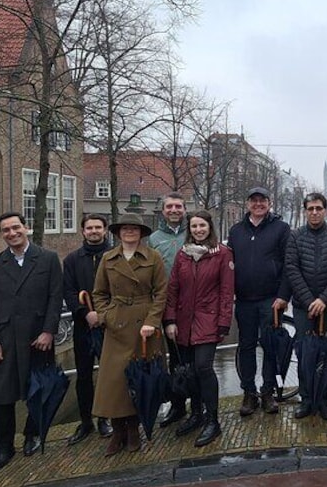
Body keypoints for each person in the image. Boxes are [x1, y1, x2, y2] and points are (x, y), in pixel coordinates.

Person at [0, 212, 63, 470]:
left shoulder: (48, 259)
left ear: (26, 228)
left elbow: (54, 297)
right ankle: (4, 446)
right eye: (5, 230)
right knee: (2, 395)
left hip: (38, 337)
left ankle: (33, 434)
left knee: (39, 389)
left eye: (16, 227)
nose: (12, 233)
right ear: (1, 234)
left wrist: (49, 331)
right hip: (5, 339)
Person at [93, 214, 167, 457]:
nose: (129, 232)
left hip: (143, 327)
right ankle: (117, 432)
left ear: (141, 233)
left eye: (134, 229)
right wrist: (105, 316)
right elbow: (99, 293)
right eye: (125, 228)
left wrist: (152, 322)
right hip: (116, 326)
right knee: (113, 382)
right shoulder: (107, 258)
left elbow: (161, 293)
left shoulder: (153, 257)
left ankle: (134, 430)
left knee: (139, 379)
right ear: (117, 233)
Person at [164, 211, 234, 447]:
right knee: (190, 370)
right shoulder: (182, 255)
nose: (198, 230)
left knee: (204, 367)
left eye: (202, 225)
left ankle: (213, 420)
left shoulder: (222, 254)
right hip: (183, 321)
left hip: (208, 320)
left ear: (209, 227)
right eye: (194, 226)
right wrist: (170, 320)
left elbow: (226, 291)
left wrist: (224, 322)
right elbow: (172, 289)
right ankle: (196, 413)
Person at [284, 192, 327, 421]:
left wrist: (323, 299)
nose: (314, 212)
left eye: (318, 208)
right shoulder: (295, 237)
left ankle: (325, 400)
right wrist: (309, 299)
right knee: (305, 353)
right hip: (304, 307)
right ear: (305, 211)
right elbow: (292, 268)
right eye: (310, 208)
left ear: (325, 210)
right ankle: (306, 399)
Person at [227, 187, 291, 417]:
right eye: (253, 200)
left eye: (262, 200)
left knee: (270, 346)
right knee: (245, 347)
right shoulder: (236, 231)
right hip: (244, 300)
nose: (258, 204)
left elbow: (288, 265)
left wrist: (283, 296)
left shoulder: (281, 229)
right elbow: (228, 266)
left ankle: (268, 391)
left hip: (270, 300)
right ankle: (249, 392)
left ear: (269, 203)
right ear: (247, 204)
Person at [62, 214, 113, 446]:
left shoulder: (114, 256)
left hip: (109, 326)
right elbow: (69, 291)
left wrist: (104, 315)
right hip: (83, 327)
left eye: (98, 227)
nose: (94, 231)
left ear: (105, 230)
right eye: (89, 228)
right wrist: (85, 313)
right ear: (83, 231)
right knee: (83, 376)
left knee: (108, 375)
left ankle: (106, 417)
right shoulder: (72, 260)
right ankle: (85, 422)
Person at [149, 193, 190, 430]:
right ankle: (177, 405)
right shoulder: (154, 239)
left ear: (184, 209)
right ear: (163, 211)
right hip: (168, 306)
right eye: (170, 206)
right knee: (175, 358)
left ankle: (199, 403)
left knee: (197, 358)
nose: (174, 210)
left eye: (178, 206)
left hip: (195, 306)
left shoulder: (194, 232)